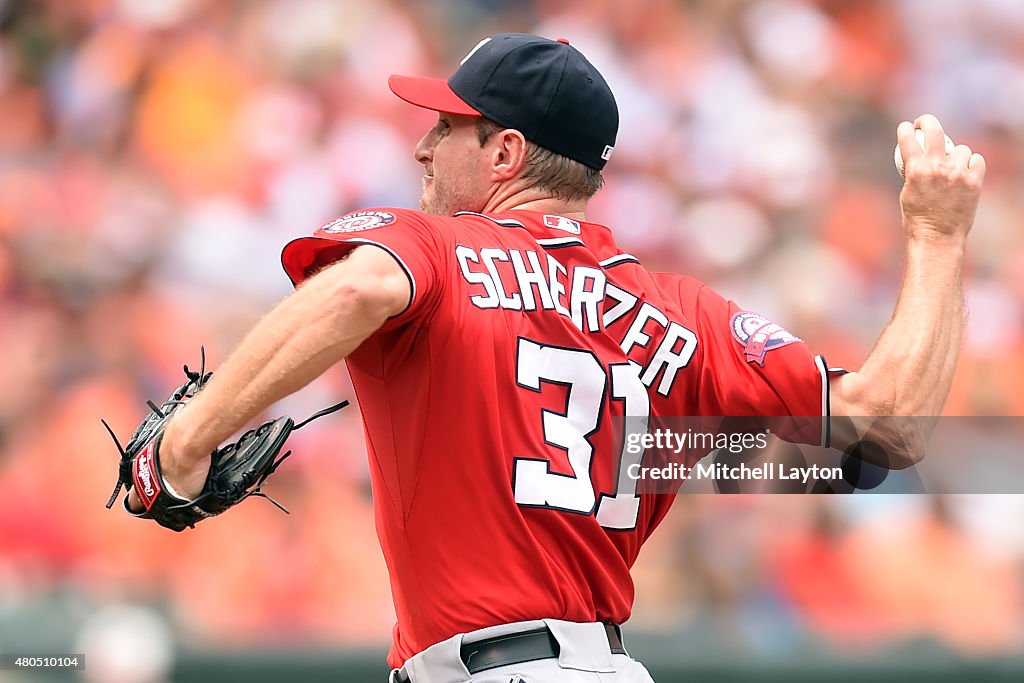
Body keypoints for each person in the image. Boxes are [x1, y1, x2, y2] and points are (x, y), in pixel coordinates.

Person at [126, 33, 985, 682]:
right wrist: (937, 235)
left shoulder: (435, 246)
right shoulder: (683, 311)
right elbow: (890, 423)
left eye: (446, 127)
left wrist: (184, 442)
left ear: (504, 153)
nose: (423, 149)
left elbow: (355, 292)